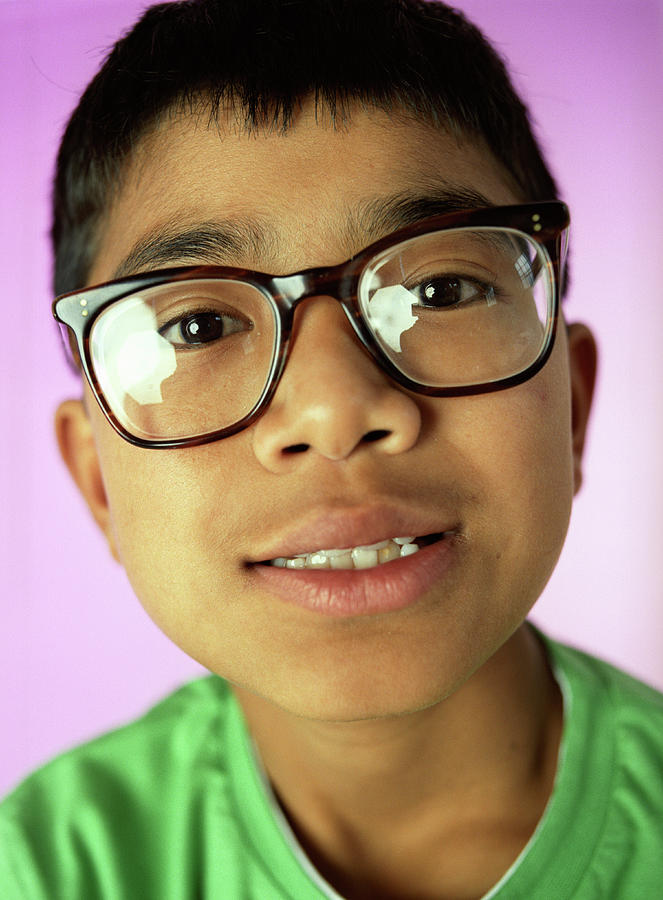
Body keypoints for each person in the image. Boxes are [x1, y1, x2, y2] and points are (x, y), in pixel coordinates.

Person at [1, 0, 661, 897]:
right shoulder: (44, 869)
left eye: (438, 287)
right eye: (197, 325)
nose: (333, 408)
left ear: (572, 408)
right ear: (97, 484)